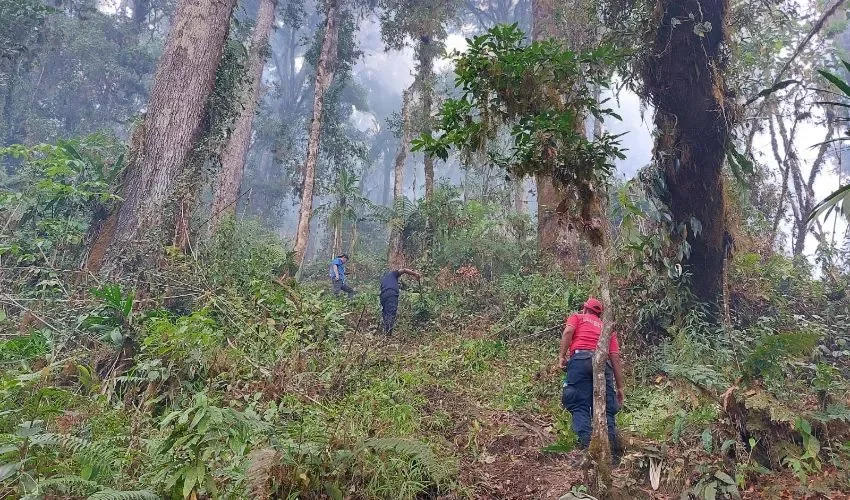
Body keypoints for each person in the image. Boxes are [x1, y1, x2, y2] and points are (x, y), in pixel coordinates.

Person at [557, 297, 625, 458]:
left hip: (580, 361)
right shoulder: (608, 328)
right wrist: (620, 387)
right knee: (608, 408)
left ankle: (589, 449)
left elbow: (568, 332)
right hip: (603, 364)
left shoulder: (577, 317)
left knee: (579, 404)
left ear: (585, 309)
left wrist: (561, 356)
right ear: (600, 314)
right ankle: (612, 455)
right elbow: (614, 357)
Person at [379, 268, 422, 335]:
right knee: (391, 314)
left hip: (383, 296)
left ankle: (386, 333)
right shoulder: (393, 274)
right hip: (391, 294)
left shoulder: (383, 280)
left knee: (385, 313)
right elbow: (404, 270)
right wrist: (415, 274)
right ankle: (388, 335)